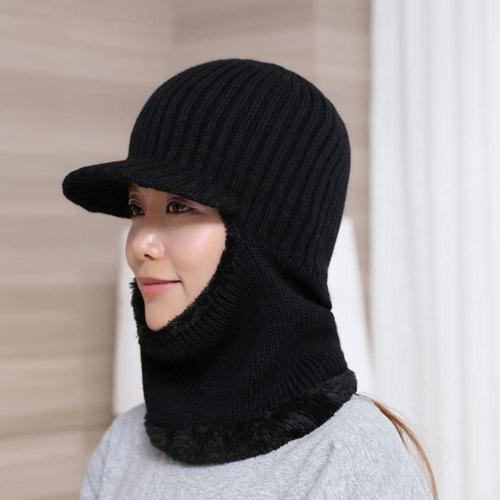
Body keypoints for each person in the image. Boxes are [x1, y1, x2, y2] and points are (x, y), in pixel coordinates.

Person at [62, 58, 437, 499]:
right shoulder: (123, 445)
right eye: (137, 208)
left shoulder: (347, 457)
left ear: (268, 233)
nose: (140, 243)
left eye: (179, 207)